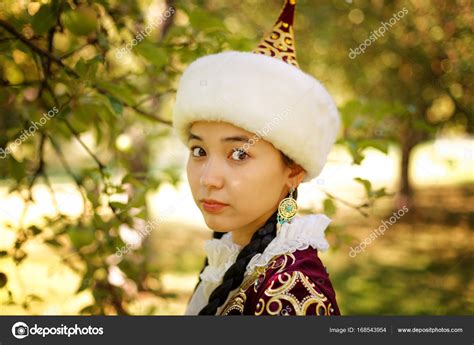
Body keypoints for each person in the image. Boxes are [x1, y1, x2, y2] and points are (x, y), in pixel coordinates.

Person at [172, 0, 341, 315]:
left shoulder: (293, 289)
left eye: (238, 154)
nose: (208, 178)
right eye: (199, 151)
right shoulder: (230, 256)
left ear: (294, 170)